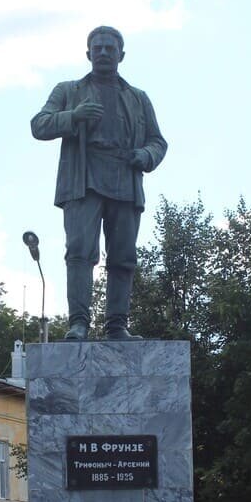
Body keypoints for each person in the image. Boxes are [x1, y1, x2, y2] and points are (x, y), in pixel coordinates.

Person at [31, 25, 168, 340]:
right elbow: (39, 125)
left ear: (121, 54)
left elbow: (158, 141)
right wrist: (74, 116)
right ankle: (78, 323)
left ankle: (117, 326)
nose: (104, 53)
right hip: (83, 181)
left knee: (123, 257)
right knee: (80, 252)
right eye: (98, 48)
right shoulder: (68, 91)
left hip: (125, 180)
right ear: (88, 53)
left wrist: (145, 156)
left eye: (110, 48)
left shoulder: (138, 98)